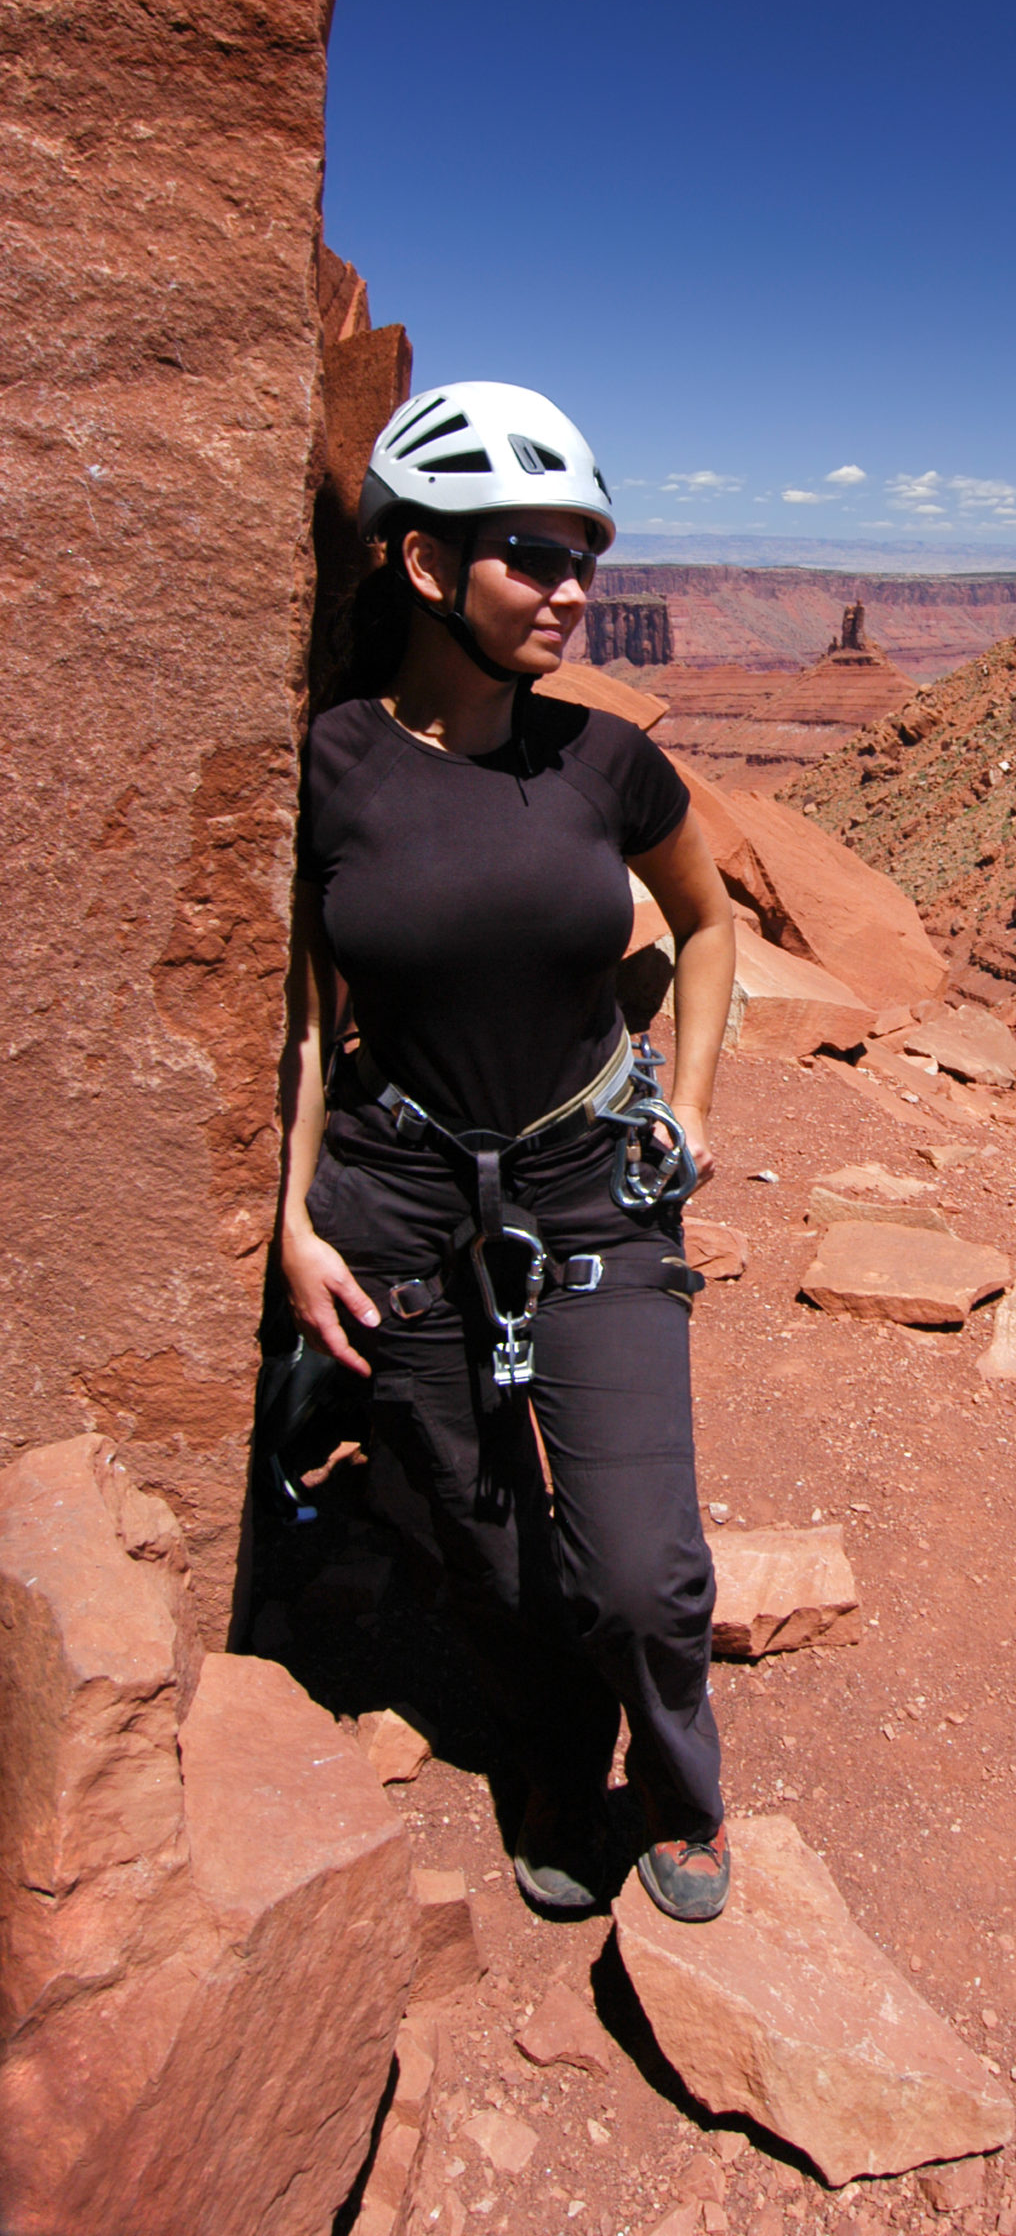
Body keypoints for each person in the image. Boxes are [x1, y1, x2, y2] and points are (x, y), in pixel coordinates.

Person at [276, 381, 738, 1922]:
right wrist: (292, 1219)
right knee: (478, 1542)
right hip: (396, 1202)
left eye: (586, 559)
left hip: (589, 1182)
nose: (573, 593)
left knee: (637, 1568)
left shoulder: (603, 765)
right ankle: (551, 1751)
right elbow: (288, 1020)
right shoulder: (329, 764)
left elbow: (713, 918)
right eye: (534, 555)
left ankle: (679, 1789)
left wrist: (698, 1104)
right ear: (423, 567)